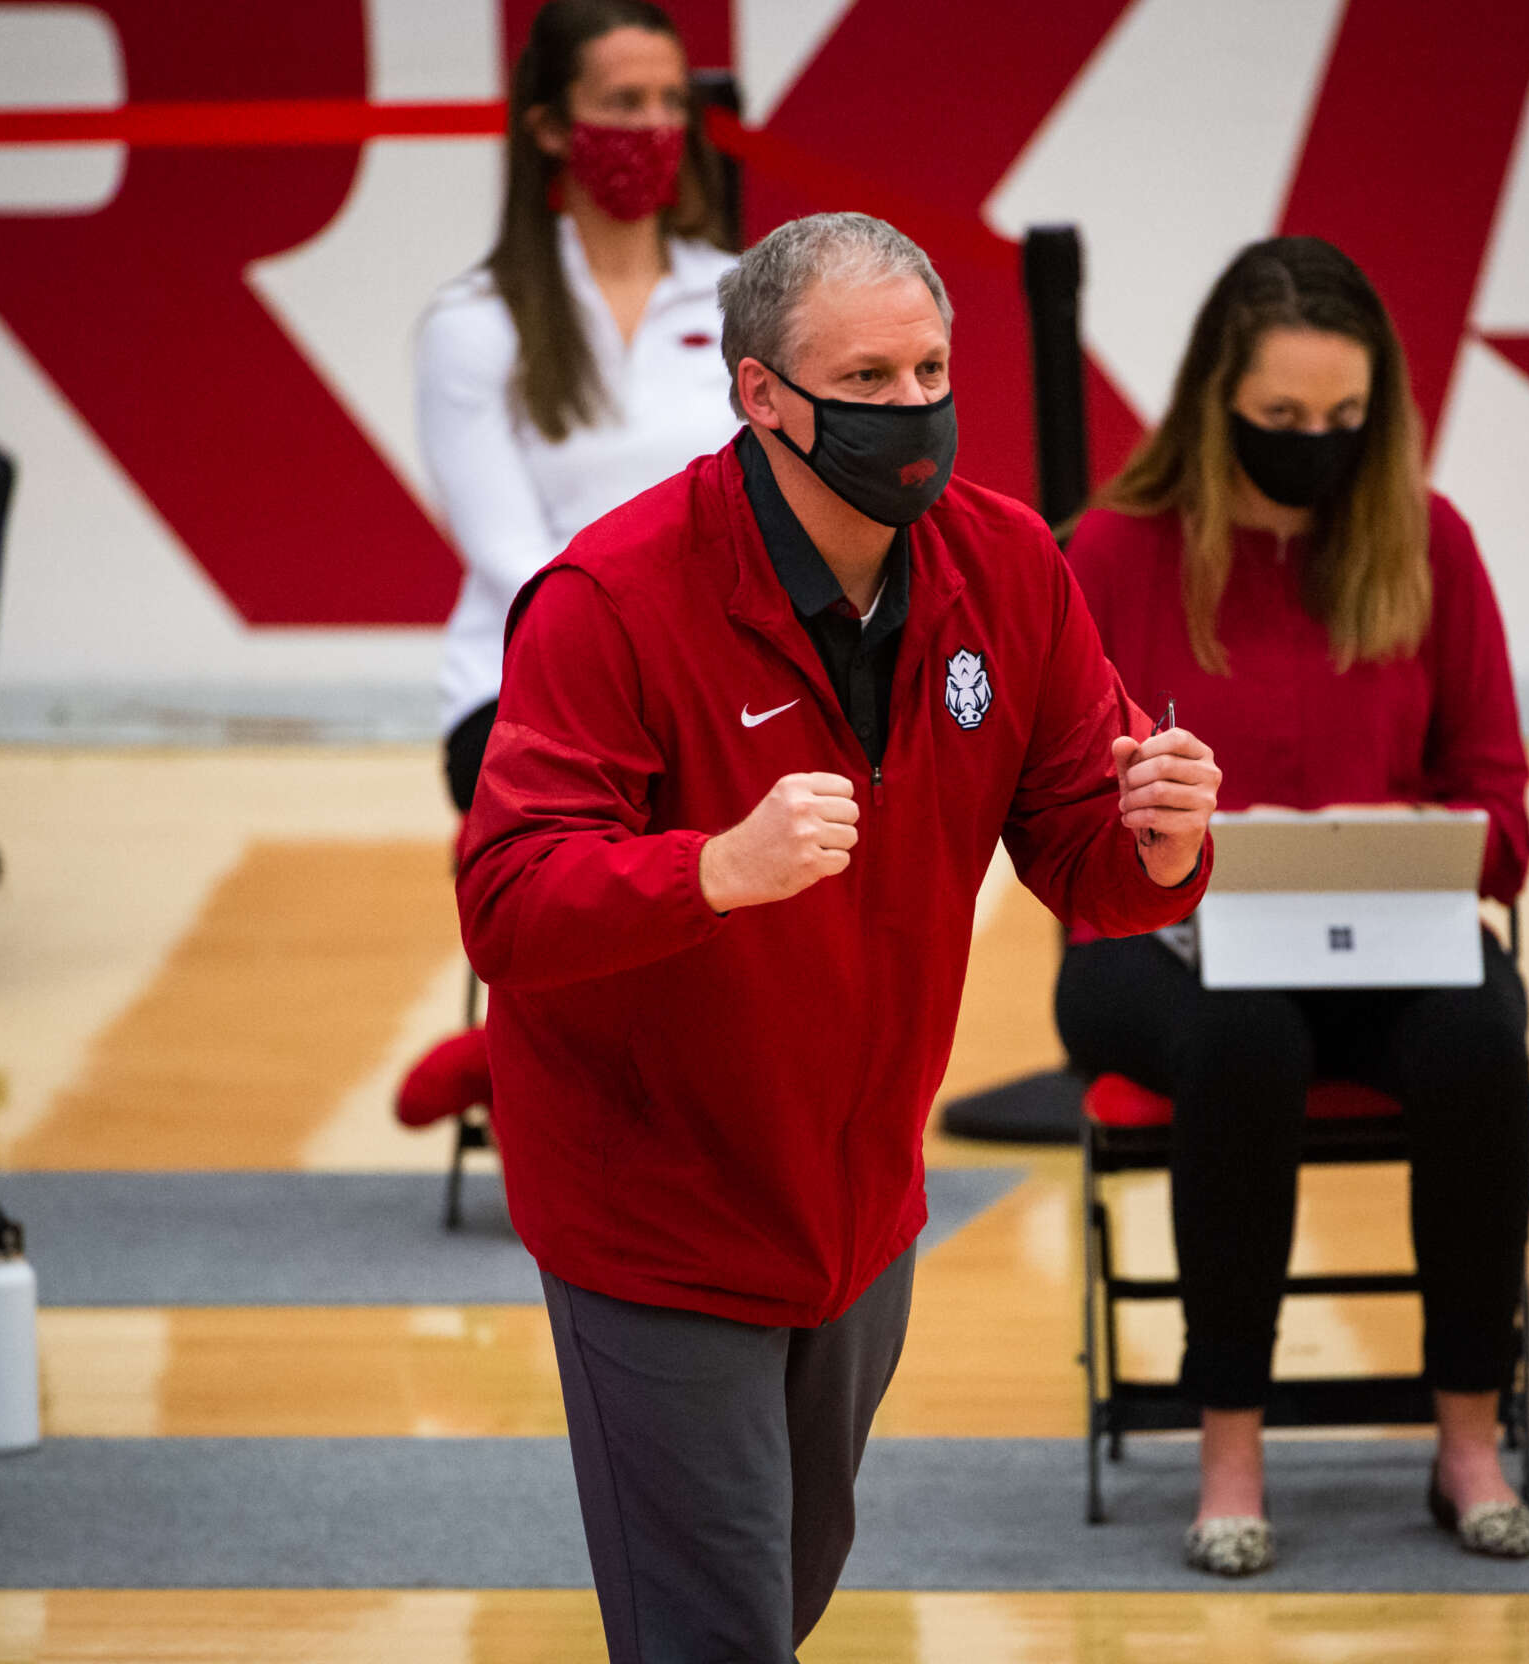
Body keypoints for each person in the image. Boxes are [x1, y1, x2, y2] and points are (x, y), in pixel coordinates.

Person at [458, 212, 1223, 1661]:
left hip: (859, 1206)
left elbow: (1084, 857)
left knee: (781, 1599)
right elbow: (506, 902)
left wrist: (1165, 843)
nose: (911, 410)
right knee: (718, 1635)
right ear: (761, 395)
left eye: (930, 369)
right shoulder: (610, 601)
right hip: (655, 1213)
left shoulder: (1008, 569)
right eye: (865, 380)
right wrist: (711, 873)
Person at [1057, 236, 1529, 1574]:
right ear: (1217, 402)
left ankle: (1467, 1435)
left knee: (1477, 1041)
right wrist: (1160, 845)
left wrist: (1427, 841)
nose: (1314, 445)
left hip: (1385, 933)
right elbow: (1051, 808)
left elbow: (1500, 802)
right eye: (1282, 420)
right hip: (1152, 941)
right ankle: (1230, 1442)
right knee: (1246, 1037)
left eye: (1343, 420)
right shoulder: (1112, 551)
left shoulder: (1427, 541)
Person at [416, 0, 738, 814]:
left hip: (726, 681)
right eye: (625, 104)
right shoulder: (475, 321)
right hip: (526, 689)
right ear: (552, 128)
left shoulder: (749, 298)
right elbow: (514, 560)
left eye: (672, 103)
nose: (656, 126)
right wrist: (663, 677)